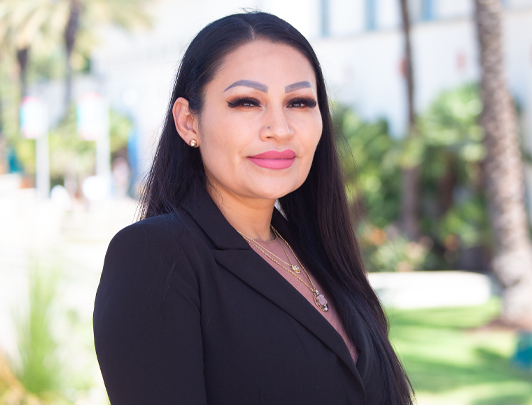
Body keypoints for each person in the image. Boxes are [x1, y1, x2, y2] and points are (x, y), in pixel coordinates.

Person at [93, 11, 413, 405]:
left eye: (299, 102)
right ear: (188, 122)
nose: (279, 128)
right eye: (246, 102)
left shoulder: (316, 250)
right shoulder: (155, 256)